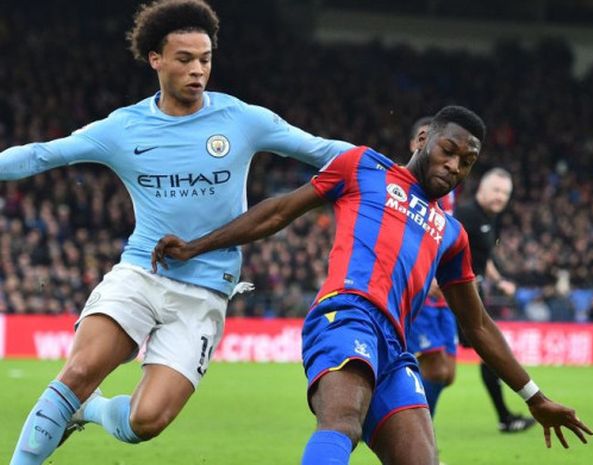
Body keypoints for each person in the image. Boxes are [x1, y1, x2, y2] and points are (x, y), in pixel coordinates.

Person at [4, 1, 353, 464]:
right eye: (185, 59)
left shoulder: (242, 120)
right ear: (156, 59)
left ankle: (90, 410)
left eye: (205, 59)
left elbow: (324, 151)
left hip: (206, 293)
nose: (198, 70)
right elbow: (43, 155)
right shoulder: (123, 128)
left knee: (146, 422)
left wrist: (400, 175)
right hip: (141, 273)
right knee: (81, 368)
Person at [152, 105, 593, 465]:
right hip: (345, 314)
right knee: (342, 422)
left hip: (395, 347)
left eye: (467, 162)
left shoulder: (452, 233)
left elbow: (477, 326)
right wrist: (195, 247)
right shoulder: (364, 166)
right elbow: (279, 212)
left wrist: (534, 396)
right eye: (448, 150)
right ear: (423, 141)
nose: (454, 166)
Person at [454, 167, 536, 432]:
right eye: (497, 190)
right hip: (452, 292)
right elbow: (440, 245)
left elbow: (483, 256)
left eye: (505, 193)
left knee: (486, 353)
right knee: (440, 362)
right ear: (482, 190)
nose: (501, 197)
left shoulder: (492, 219)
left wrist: (499, 280)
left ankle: (504, 417)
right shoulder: (465, 214)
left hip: (471, 292)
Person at [404, 116, 459, 418]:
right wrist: (427, 274)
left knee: (447, 372)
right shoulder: (405, 187)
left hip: (442, 290)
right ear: (416, 143)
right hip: (423, 287)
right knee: (434, 367)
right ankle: (420, 445)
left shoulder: (446, 189)